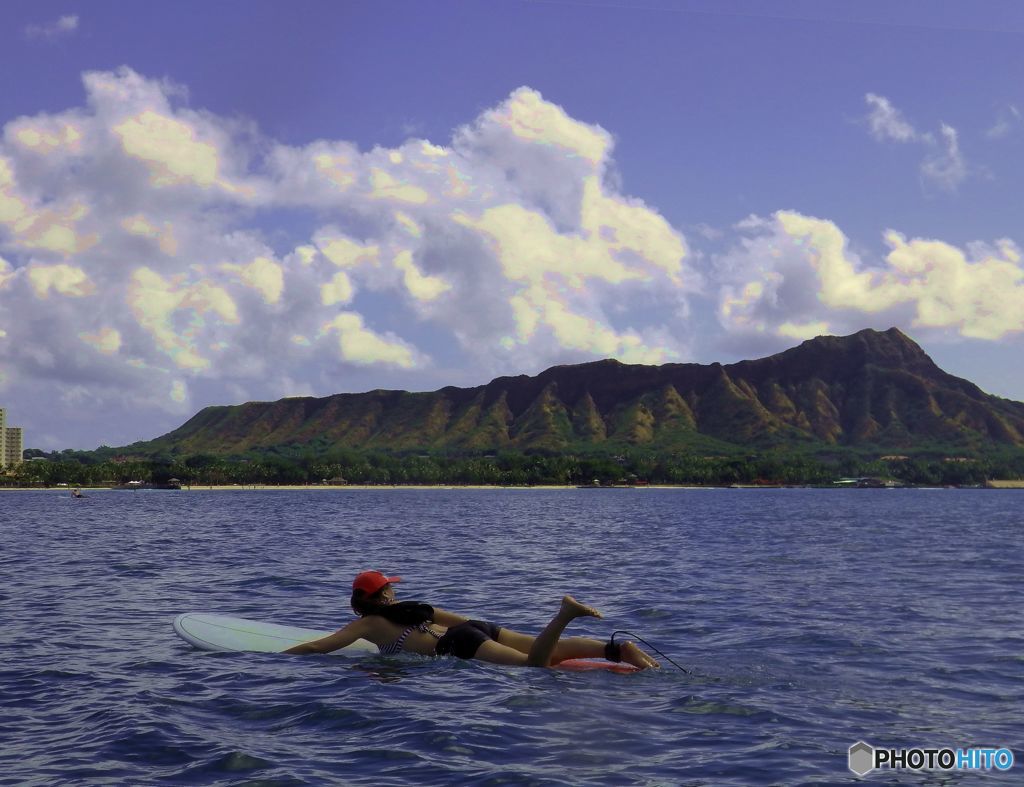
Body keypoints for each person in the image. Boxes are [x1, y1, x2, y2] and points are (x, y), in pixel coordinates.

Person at [284, 570, 659, 669]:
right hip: (476, 629)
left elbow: (321, 646)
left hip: (458, 644)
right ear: (386, 594)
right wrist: (489, 636)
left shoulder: (365, 625)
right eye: (390, 588)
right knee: (553, 652)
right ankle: (615, 649)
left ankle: (563, 615)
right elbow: (464, 618)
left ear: (358, 605)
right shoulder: (414, 607)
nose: (394, 592)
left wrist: (276, 658)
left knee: (535, 666)